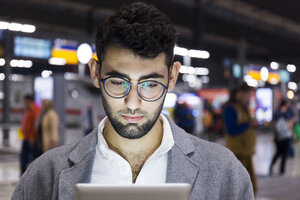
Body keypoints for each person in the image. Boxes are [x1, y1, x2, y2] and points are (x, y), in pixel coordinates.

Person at [12, 3, 254, 200]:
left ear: (172, 77)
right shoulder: (44, 177)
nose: (133, 103)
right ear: (96, 73)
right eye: (118, 82)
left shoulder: (225, 175)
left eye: (150, 84)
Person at [223, 83, 257, 194]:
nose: (248, 98)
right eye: (247, 95)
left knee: (251, 186)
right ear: (239, 93)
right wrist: (248, 124)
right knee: (240, 187)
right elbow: (231, 130)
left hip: (247, 151)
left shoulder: (242, 107)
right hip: (237, 153)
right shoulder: (230, 108)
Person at [269, 99, 294, 175]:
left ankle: (282, 170)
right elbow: (290, 124)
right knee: (279, 152)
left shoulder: (285, 113)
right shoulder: (279, 113)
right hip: (279, 137)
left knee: (284, 153)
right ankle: (273, 166)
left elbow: (290, 124)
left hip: (285, 136)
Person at [20, 94, 40, 175]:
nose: (24, 103)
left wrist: (32, 136)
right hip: (26, 138)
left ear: (29, 101)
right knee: (23, 158)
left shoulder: (35, 110)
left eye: (25, 101)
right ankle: (23, 176)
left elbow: (36, 125)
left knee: (32, 159)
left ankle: (31, 176)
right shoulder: (27, 110)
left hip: (31, 139)